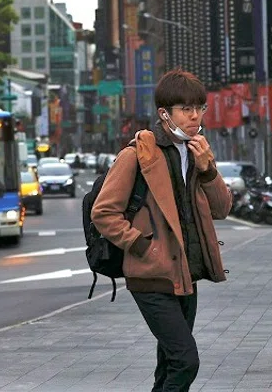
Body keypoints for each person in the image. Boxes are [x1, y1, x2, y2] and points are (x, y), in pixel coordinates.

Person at [91, 69, 232, 391]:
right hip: (151, 276)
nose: (195, 116)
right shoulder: (136, 156)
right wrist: (141, 246)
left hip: (186, 276)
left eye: (200, 108)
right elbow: (104, 212)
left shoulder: (197, 152)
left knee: (169, 364)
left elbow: (222, 209)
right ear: (164, 113)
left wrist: (208, 169)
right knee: (185, 360)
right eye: (186, 109)